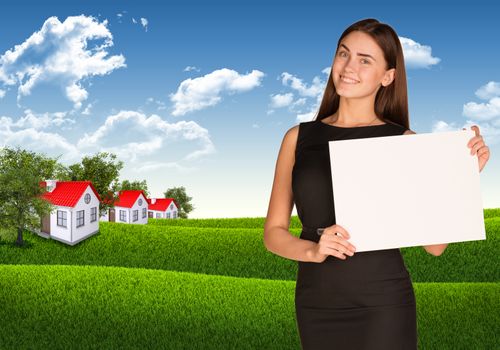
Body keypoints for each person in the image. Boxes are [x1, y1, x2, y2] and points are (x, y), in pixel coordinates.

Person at [263, 18, 490, 350]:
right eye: (343, 54)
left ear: (388, 76)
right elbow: (274, 232)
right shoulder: (297, 139)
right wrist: (312, 250)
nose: (348, 66)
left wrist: (463, 177)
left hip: (384, 304)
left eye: (364, 60)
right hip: (316, 303)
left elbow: (435, 246)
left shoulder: (405, 142)